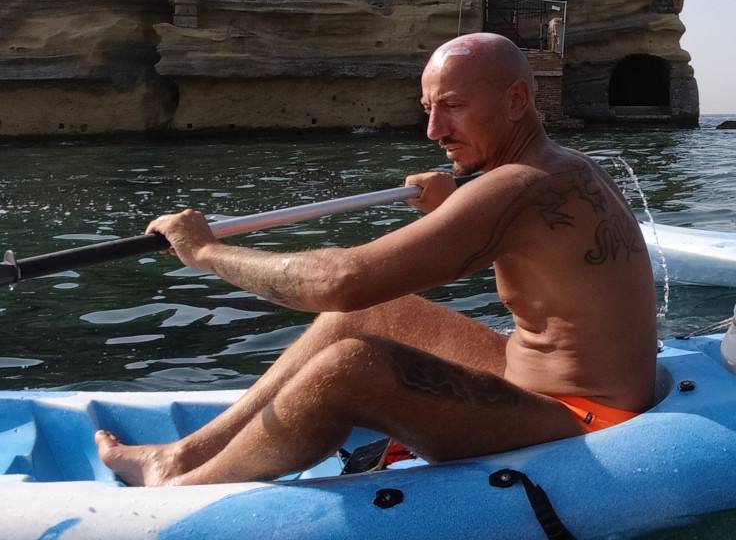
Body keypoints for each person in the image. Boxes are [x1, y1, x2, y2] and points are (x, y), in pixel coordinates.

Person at [95, 33, 656, 486]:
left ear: (515, 101)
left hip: (585, 413)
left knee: (352, 364)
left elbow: (341, 280)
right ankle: (179, 456)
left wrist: (207, 251)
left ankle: (185, 492)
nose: (434, 130)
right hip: (533, 375)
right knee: (359, 320)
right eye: (429, 108)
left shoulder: (515, 187)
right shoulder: (558, 166)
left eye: (454, 108)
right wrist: (460, 202)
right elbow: (527, 248)